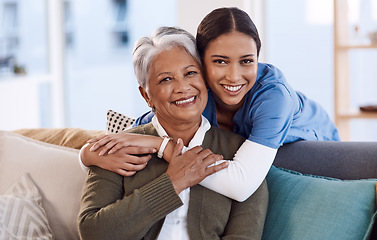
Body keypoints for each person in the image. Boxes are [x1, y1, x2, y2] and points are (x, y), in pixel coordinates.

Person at [82, 7, 340, 201]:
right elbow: (131, 134)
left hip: (314, 148)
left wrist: (163, 147)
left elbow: (240, 186)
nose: (234, 76)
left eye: (247, 61)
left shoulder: (273, 96)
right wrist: (86, 156)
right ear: (200, 63)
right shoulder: (195, 96)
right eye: (220, 61)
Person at [78, 26, 268, 240]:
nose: (183, 87)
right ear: (145, 95)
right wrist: (172, 183)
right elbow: (92, 232)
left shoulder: (241, 155)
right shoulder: (118, 147)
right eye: (166, 79)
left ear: (205, 80)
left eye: (190, 73)